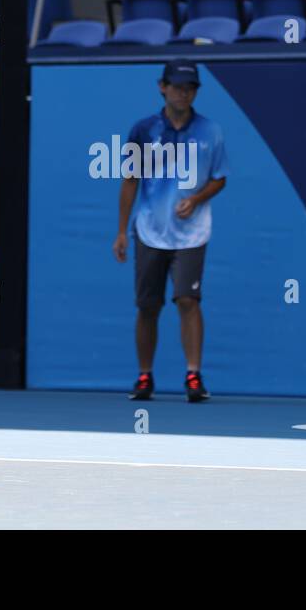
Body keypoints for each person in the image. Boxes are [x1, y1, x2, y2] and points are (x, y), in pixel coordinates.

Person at [113, 59, 228, 403]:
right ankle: (144, 376)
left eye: (190, 88)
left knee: (188, 300)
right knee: (148, 307)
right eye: (177, 86)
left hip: (192, 234)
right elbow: (130, 180)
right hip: (149, 231)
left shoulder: (211, 132)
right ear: (162, 87)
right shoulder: (143, 130)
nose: (184, 93)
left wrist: (196, 199)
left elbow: (220, 178)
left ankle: (193, 375)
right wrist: (121, 231)